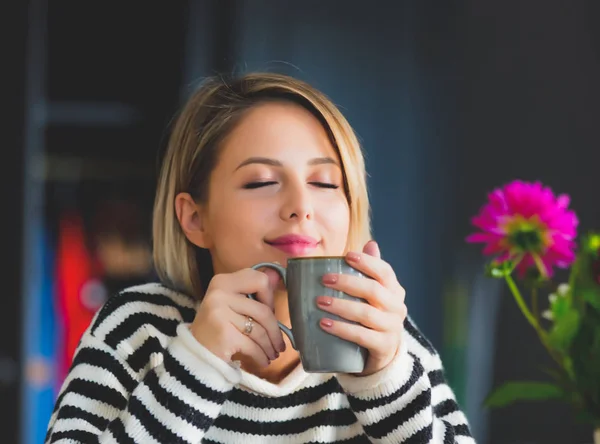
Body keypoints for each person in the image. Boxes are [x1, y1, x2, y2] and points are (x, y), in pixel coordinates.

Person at [45, 73, 474, 443]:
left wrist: (385, 381)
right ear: (195, 218)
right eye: (262, 182)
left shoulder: (387, 341)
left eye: (325, 182)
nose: (300, 205)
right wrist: (198, 363)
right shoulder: (135, 330)